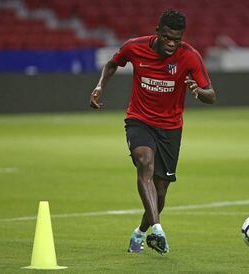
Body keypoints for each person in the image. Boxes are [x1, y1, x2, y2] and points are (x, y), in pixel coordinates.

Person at [90, 9, 216, 255]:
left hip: (170, 128)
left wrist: (198, 92)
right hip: (139, 119)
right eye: (167, 37)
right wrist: (99, 86)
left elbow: (212, 94)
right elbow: (112, 63)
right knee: (144, 163)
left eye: (177, 39)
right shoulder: (135, 47)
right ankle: (157, 229)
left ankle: (140, 231)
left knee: (160, 191)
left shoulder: (190, 57)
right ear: (158, 31)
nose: (171, 43)